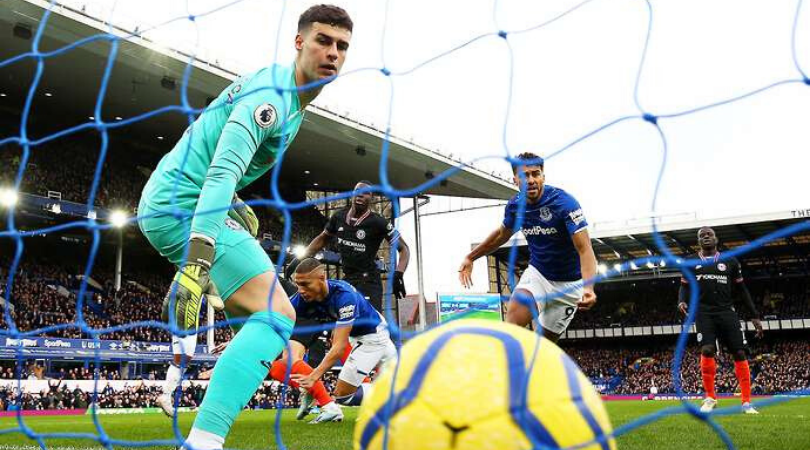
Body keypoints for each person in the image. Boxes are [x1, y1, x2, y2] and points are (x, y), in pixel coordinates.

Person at [136, 5, 353, 449]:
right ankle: (203, 442)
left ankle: (206, 431)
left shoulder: (292, 102)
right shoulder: (270, 101)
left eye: (342, 46)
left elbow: (211, 160)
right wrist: (199, 259)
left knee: (256, 331)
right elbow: (219, 174)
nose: (333, 53)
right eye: (323, 41)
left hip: (178, 200)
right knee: (278, 314)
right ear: (299, 42)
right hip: (179, 206)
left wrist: (234, 204)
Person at [458, 152, 597, 342]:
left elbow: (585, 249)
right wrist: (471, 257)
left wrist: (588, 288)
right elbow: (500, 235)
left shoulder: (565, 204)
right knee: (512, 326)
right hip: (539, 275)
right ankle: (509, 369)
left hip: (569, 285)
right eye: (525, 175)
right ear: (515, 179)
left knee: (544, 346)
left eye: (536, 174)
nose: (531, 180)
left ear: (543, 177)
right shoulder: (515, 207)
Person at [287, 258, 397, 415]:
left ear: (322, 278)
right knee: (398, 377)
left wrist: (314, 377)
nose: (301, 290)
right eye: (298, 284)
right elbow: (280, 315)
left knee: (343, 396)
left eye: (305, 284)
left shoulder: (344, 296)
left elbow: (339, 347)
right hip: (365, 331)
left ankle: (394, 396)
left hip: (371, 337)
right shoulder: (302, 298)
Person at [678, 226, 763, 414]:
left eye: (709, 234)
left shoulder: (730, 261)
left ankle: (746, 402)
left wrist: (754, 316)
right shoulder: (690, 262)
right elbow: (683, 286)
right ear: (698, 241)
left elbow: (742, 290)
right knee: (707, 349)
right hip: (704, 312)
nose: (706, 237)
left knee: (740, 353)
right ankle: (710, 398)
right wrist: (681, 301)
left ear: (716, 239)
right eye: (702, 235)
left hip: (727, 311)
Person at [291, 180, 410, 313]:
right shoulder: (338, 217)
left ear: (372, 198)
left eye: (366, 193)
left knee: (370, 324)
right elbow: (323, 238)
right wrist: (301, 257)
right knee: (340, 319)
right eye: (357, 191)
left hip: (369, 281)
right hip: (348, 279)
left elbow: (404, 249)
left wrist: (398, 274)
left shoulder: (378, 222)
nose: (360, 195)